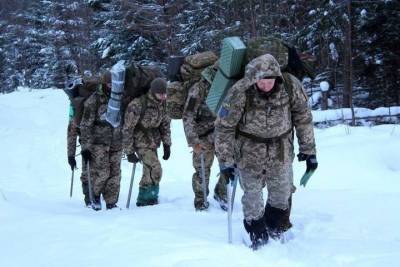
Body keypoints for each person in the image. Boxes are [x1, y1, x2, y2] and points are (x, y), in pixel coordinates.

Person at [215, 54, 317, 249]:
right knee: (252, 199)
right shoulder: (239, 91)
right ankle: (257, 236)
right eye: (261, 82)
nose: (265, 86)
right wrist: (225, 161)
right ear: (254, 79)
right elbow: (223, 127)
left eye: (269, 81)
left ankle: (275, 230)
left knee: (281, 196)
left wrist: (309, 151)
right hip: (249, 153)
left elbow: (303, 118)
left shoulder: (290, 86)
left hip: (281, 151)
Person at [122, 78, 171, 207]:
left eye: (165, 94)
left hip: (154, 141)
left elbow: (165, 125)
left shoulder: (163, 104)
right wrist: (129, 151)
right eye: (161, 94)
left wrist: (167, 145)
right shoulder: (137, 105)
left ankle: (148, 198)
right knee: (156, 168)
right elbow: (127, 128)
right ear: (153, 92)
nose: (163, 96)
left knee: (148, 170)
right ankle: (146, 197)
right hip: (140, 141)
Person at [182, 75, 228, 211]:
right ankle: (201, 200)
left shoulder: (229, 84)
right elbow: (188, 115)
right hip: (202, 136)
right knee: (202, 170)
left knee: (229, 166)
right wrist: (194, 141)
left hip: (223, 134)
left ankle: (221, 193)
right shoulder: (198, 89)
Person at [80, 71, 123, 210]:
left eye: (114, 84)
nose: (112, 86)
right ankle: (94, 197)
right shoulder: (94, 100)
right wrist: (86, 147)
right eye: (109, 84)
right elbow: (86, 125)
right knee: (102, 172)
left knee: (115, 174)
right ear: (104, 84)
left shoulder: (119, 98)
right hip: (98, 143)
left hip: (116, 141)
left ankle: (111, 202)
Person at [66, 105, 90, 206]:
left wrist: (71, 156)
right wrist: (71, 156)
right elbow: (72, 133)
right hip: (87, 142)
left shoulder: (75, 105)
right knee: (87, 169)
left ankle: (92, 195)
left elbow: (71, 135)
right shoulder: (76, 106)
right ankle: (89, 196)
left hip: (97, 140)